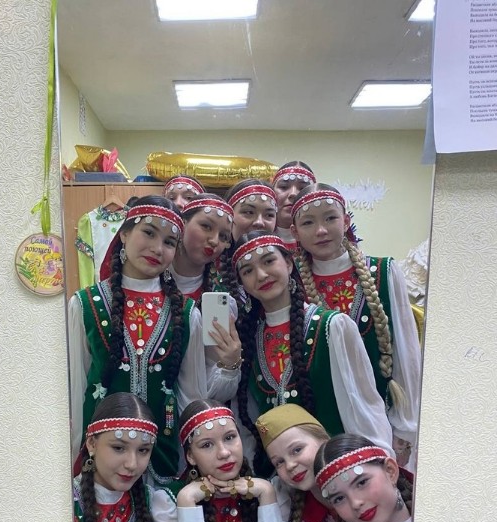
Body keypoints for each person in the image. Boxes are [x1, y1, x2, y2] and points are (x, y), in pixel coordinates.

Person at [67, 196, 212, 482]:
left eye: (169, 242)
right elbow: (75, 389)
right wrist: (72, 459)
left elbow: (191, 396)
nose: (158, 248)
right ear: (124, 233)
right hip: (99, 462)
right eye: (148, 232)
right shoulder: (85, 305)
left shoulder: (187, 313)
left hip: (164, 458)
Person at [225, 230, 394, 473]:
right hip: (283, 478)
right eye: (248, 271)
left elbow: (364, 408)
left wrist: (374, 466)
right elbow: (250, 418)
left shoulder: (333, 327)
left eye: (269, 261)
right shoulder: (248, 341)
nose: (261, 275)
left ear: (288, 263)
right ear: (242, 283)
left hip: (340, 472)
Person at [291, 183, 421, 467]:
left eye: (330, 218)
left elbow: (407, 353)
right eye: (308, 223)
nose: (321, 230)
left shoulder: (383, 271)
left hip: (385, 424)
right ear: (295, 232)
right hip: (321, 426)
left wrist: (404, 429)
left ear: (346, 221)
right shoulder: (292, 283)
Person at [152, 400, 294, 522]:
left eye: (229, 437)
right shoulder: (168, 501)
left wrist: (267, 494)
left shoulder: (267, 491)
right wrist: (187, 501)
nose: (224, 452)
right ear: (190, 456)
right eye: (207, 445)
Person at [74, 392, 158, 522]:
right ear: (92, 444)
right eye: (119, 448)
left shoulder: (151, 500)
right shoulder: (65, 503)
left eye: (143, 450)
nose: (132, 464)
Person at [256, 404, 345, 522]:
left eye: (297, 450)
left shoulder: (363, 495)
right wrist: (266, 494)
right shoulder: (291, 507)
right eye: (279, 462)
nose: (289, 465)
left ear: (324, 440)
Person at [171, 194, 242, 403]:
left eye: (224, 236)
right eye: (206, 226)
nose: (214, 240)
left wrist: (230, 364)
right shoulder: (149, 286)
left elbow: (212, 383)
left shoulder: (219, 302)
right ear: (182, 224)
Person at [271, 161, 317, 244]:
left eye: (302, 188)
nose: (293, 193)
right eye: (284, 187)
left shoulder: (325, 237)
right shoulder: (254, 236)